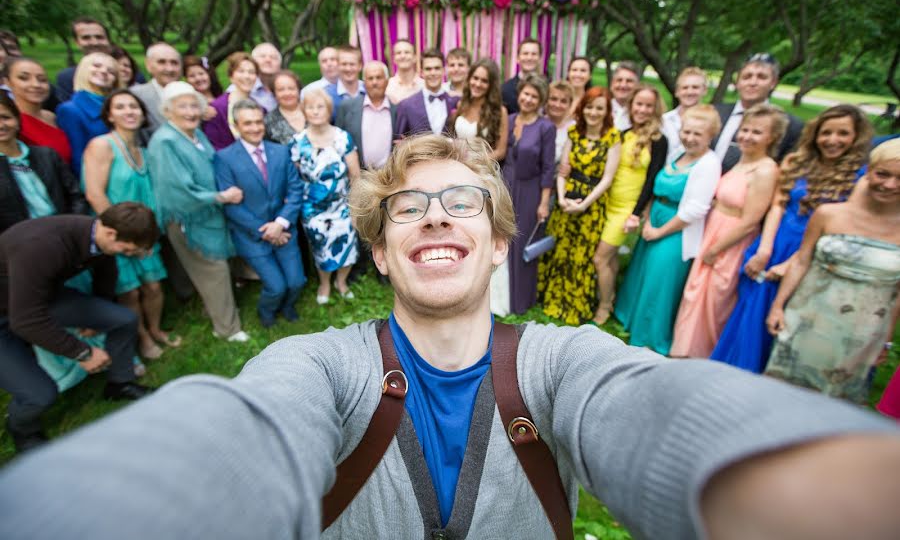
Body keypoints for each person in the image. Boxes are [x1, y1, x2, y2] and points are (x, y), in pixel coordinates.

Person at [3, 134, 900, 540]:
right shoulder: (312, 366)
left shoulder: (563, 359)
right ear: (386, 254)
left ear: (499, 240)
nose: (435, 216)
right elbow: (246, 432)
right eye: (408, 208)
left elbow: (653, 408)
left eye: (461, 200)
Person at [711, 104, 873, 373]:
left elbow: (841, 227)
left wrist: (790, 264)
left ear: (856, 137)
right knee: (750, 312)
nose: (832, 140)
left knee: (787, 319)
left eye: (842, 133)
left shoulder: (860, 177)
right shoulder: (795, 162)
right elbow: (778, 205)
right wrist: (764, 248)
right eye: (826, 133)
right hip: (777, 242)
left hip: (813, 253)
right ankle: (729, 372)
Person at [0, 203, 157, 452]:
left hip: (36, 299)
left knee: (123, 319)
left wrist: (97, 315)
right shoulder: (45, 246)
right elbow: (25, 320)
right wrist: (82, 353)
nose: (126, 255)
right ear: (110, 233)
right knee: (40, 394)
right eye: (126, 250)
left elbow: (106, 274)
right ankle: (22, 429)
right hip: (13, 313)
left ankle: (120, 383)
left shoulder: (100, 239)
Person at [764, 139, 900, 402]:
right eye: (882, 174)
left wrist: (886, 339)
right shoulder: (829, 214)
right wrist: (778, 306)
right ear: (869, 172)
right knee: (782, 394)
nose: (890, 184)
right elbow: (802, 261)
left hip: (862, 331)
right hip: (808, 317)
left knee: (833, 404)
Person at [670, 104, 785, 358]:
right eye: (745, 130)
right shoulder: (741, 160)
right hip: (713, 229)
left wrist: (716, 248)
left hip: (730, 241)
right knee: (694, 296)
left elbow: (750, 221)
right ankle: (681, 351)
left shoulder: (766, 170)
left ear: (772, 137)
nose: (746, 136)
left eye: (756, 132)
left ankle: (700, 356)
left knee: (714, 302)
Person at [146, 81, 249, 343]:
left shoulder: (194, 133)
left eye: (194, 105)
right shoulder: (165, 142)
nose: (190, 112)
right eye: (182, 106)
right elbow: (176, 191)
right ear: (168, 111)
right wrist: (221, 196)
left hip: (209, 214)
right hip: (189, 219)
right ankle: (228, 329)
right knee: (213, 270)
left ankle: (217, 312)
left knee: (214, 269)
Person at [615, 105, 722, 355]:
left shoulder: (708, 164)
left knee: (660, 282)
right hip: (655, 219)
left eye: (697, 134)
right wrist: (649, 220)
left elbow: (696, 209)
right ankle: (630, 321)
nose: (690, 138)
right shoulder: (678, 153)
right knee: (642, 274)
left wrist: (660, 232)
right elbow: (657, 185)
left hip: (676, 231)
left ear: (710, 136)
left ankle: (649, 337)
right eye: (686, 132)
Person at [82, 89, 173, 360]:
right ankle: (142, 338)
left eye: (134, 106)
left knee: (154, 286)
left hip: (146, 232)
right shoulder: (102, 145)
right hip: (118, 234)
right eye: (120, 107)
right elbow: (94, 193)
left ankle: (155, 328)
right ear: (109, 115)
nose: (129, 112)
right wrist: (121, 235)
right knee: (130, 292)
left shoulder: (143, 150)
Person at [215, 100, 305, 327]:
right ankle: (267, 312)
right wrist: (267, 231)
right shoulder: (224, 158)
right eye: (248, 123)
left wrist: (281, 223)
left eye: (258, 122)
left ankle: (288, 306)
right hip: (252, 235)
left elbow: (295, 189)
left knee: (296, 282)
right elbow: (231, 206)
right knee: (276, 286)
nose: (255, 128)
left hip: (284, 229)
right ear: (236, 126)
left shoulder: (280, 151)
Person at [540, 87, 622, 325]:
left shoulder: (612, 138)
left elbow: (608, 179)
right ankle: (556, 300)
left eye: (599, 108)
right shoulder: (574, 133)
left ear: (606, 112)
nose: (593, 112)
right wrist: (563, 197)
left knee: (582, 255)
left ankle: (580, 305)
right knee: (561, 252)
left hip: (591, 204)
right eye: (589, 106)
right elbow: (563, 169)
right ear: (582, 108)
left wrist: (584, 204)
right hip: (567, 199)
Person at [591, 84, 668, 325]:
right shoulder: (622, 134)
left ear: (655, 109)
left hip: (627, 209)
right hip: (608, 202)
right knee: (611, 258)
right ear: (631, 105)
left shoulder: (658, 140)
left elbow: (651, 180)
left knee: (600, 258)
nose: (642, 110)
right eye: (639, 104)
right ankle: (610, 297)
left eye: (648, 105)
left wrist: (636, 213)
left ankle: (603, 306)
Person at [290, 89, 360, 304]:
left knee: (347, 247)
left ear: (329, 110)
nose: (315, 111)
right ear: (304, 111)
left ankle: (342, 282)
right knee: (321, 249)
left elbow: (355, 175)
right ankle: (325, 284)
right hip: (312, 209)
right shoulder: (298, 141)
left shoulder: (342, 138)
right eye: (310, 107)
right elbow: (295, 178)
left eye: (320, 107)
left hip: (342, 207)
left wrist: (356, 208)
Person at [495, 74, 556, 315]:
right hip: (505, 185)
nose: (528, 99)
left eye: (534, 96)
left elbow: (549, 167)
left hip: (531, 190)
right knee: (501, 237)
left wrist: (544, 202)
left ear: (540, 100)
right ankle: (499, 295)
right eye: (525, 94)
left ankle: (520, 299)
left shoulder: (546, 127)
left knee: (522, 243)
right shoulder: (508, 119)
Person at [0, 93, 85, 233]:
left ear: (17, 120)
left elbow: (75, 195)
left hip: (64, 232)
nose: (2, 125)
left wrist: (71, 226)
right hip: (18, 242)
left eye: (6, 117)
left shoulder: (47, 155)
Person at [712, 53, 804, 170]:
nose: (753, 83)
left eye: (761, 77)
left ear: (773, 83)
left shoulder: (790, 125)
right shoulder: (716, 113)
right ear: (738, 82)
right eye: (747, 77)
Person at [56, 51, 118, 176]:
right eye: (96, 66)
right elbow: (78, 158)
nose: (104, 71)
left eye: (111, 71)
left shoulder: (118, 106)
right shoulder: (70, 110)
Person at [6, 57, 72, 164]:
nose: (36, 85)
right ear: (7, 82)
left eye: (42, 80)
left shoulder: (52, 116)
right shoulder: (9, 123)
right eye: (24, 78)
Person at [335, 61, 396, 169]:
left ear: (387, 81)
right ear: (364, 82)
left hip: (390, 176)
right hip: (358, 175)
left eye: (379, 77)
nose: (374, 82)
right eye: (370, 78)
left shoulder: (397, 110)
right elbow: (337, 141)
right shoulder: (347, 107)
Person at [448, 58, 508, 161]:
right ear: (469, 78)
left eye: (484, 81)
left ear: (491, 85)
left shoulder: (500, 111)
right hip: (458, 165)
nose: (478, 84)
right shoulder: (461, 105)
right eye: (475, 78)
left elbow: (501, 151)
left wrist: (475, 163)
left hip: (483, 169)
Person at [395, 49, 459, 139]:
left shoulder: (455, 102)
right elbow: (399, 142)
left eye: (437, 68)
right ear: (422, 72)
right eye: (428, 69)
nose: (433, 73)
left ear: (444, 71)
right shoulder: (406, 106)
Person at [203, 51, 261, 150]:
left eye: (251, 72)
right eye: (241, 71)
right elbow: (213, 145)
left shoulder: (260, 109)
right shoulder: (216, 109)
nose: (246, 76)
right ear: (231, 76)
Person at [54, 17, 111, 104]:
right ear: (77, 42)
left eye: (99, 37)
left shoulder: (129, 73)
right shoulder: (67, 78)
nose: (94, 42)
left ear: (108, 40)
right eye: (86, 38)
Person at [131, 43, 183, 134]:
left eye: (174, 63)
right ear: (148, 65)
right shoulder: (135, 95)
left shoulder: (191, 94)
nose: (169, 68)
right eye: (162, 62)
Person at [661, 67, 708, 162]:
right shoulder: (664, 121)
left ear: (704, 90)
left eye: (695, 87)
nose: (689, 92)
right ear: (677, 92)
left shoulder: (710, 122)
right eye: (685, 88)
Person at [501, 38, 543, 114]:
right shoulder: (505, 90)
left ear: (540, 59)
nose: (529, 58)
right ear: (517, 58)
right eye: (525, 53)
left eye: (534, 54)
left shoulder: (549, 87)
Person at [264, 70, 306, 145]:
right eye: (281, 90)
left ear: (298, 90)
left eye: (291, 88)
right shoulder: (268, 121)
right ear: (274, 93)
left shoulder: (314, 111)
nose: (287, 93)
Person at [325, 44, 365, 122]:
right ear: (337, 65)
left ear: (360, 66)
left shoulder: (368, 91)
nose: (348, 68)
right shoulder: (327, 95)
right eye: (344, 64)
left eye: (352, 64)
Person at [545, 80, 576, 164]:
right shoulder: (537, 123)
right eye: (553, 99)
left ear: (570, 104)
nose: (557, 105)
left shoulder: (574, 129)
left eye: (563, 101)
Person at [243, 42, 280, 111]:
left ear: (279, 65)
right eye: (262, 56)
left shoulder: (287, 89)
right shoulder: (241, 87)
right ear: (253, 61)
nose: (268, 60)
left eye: (273, 57)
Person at [385, 39, 423, 104]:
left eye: (407, 52)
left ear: (415, 57)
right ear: (394, 59)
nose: (403, 56)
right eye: (398, 53)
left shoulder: (424, 86)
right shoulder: (387, 86)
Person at [609, 61, 639, 131]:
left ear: (637, 85)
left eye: (629, 81)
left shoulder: (641, 114)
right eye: (619, 80)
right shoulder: (600, 109)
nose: (623, 85)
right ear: (612, 84)